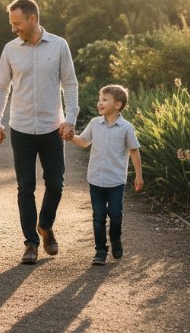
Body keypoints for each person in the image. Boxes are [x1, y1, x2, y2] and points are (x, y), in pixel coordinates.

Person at [0, 0, 79, 265]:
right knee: (25, 187)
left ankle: (45, 224)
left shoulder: (59, 45)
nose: (13, 28)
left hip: (53, 127)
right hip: (22, 128)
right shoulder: (10, 49)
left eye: (16, 23)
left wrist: (71, 118)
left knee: (56, 183)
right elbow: (1, 87)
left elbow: (70, 84)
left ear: (32, 18)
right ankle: (31, 242)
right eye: (11, 24)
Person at [65, 84, 143, 266]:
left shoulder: (126, 128)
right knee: (98, 216)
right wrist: (71, 137)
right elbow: (84, 142)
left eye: (105, 100)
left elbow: (134, 151)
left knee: (115, 214)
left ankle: (115, 239)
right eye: (100, 99)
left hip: (115, 180)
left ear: (117, 105)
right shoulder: (94, 124)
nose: (100, 103)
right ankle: (100, 251)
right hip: (96, 179)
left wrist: (139, 176)